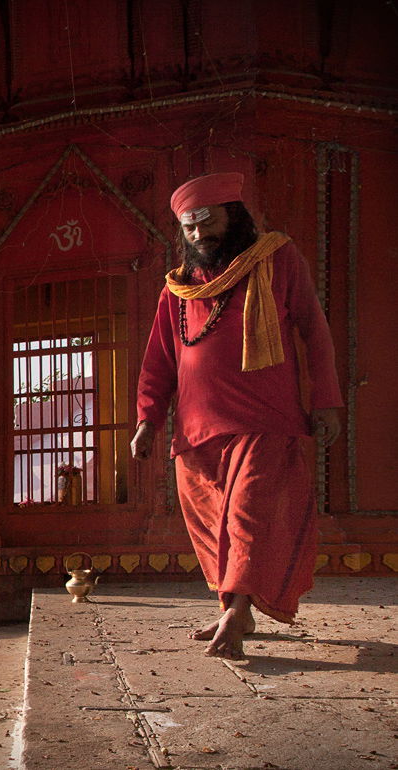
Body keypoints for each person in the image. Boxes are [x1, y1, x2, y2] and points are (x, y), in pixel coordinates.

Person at [131, 172, 343, 660]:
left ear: (235, 215)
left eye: (207, 221)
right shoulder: (177, 290)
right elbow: (159, 360)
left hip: (264, 419)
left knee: (249, 516)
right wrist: (148, 419)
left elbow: (314, 329)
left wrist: (326, 400)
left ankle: (235, 612)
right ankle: (236, 604)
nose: (200, 234)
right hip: (194, 428)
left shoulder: (277, 259)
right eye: (189, 228)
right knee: (210, 523)